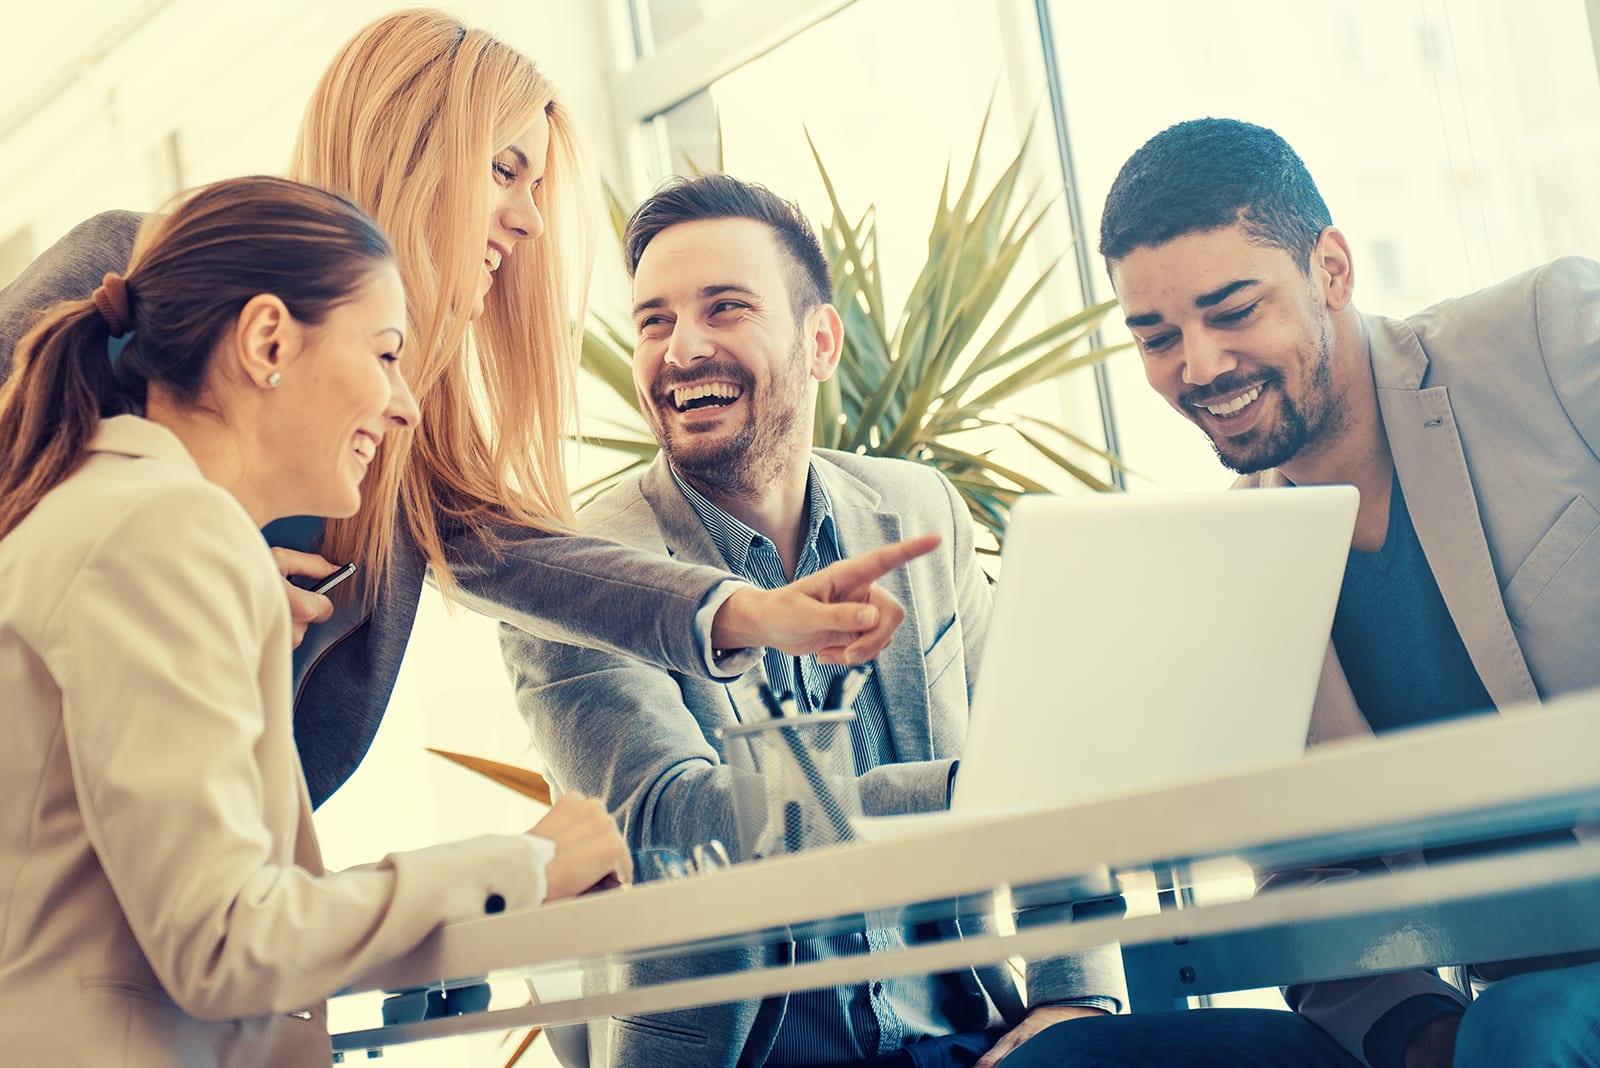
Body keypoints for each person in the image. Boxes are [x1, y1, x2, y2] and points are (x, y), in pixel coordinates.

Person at [500, 175, 1363, 1068]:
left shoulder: (917, 510)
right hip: (753, 1058)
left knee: (1292, 1056)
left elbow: (1033, 746)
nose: (682, 349)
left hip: (965, 1043)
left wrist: (1075, 997)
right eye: (654, 321)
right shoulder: (577, 571)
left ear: (820, 341)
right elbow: (669, 825)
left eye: (725, 308)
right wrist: (967, 792)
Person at [0, 8, 930, 810]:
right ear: (409, 153)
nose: (527, 220)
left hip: (200, 882)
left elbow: (535, 563)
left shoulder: (399, 426)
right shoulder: (132, 272)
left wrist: (750, 615)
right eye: (505, 170)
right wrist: (189, 558)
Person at [0, 175, 634, 1066]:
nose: (406, 402)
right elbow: (226, 945)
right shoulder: (162, 531)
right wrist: (521, 868)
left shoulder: (100, 512)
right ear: (268, 340)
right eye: (383, 355)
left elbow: (165, 927)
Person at [1076, 116, 1600, 1068]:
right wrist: (1417, 1034)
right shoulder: (1235, 562)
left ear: (1332, 269)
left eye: (1234, 311)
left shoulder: (1546, 339)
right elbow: (1308, 873)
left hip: (1535, 1018)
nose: (1197, 368)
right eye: (1157, 337)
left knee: (1525, 1030)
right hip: (1492, 1010)